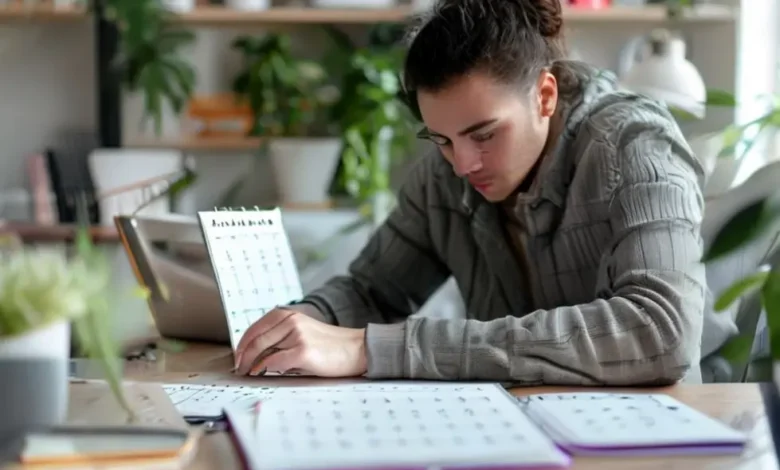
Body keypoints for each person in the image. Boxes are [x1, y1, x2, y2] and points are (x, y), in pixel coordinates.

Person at [234, 0, 710, 385]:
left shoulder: (637, 149)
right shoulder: (442, 175)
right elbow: (372, 290)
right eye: (441, 140)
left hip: (652, 439)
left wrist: (372, 348)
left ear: (544, 96)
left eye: (484, 135)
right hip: (513, 436)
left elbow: (661, 330)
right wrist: (298, 324)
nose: (462, 164)